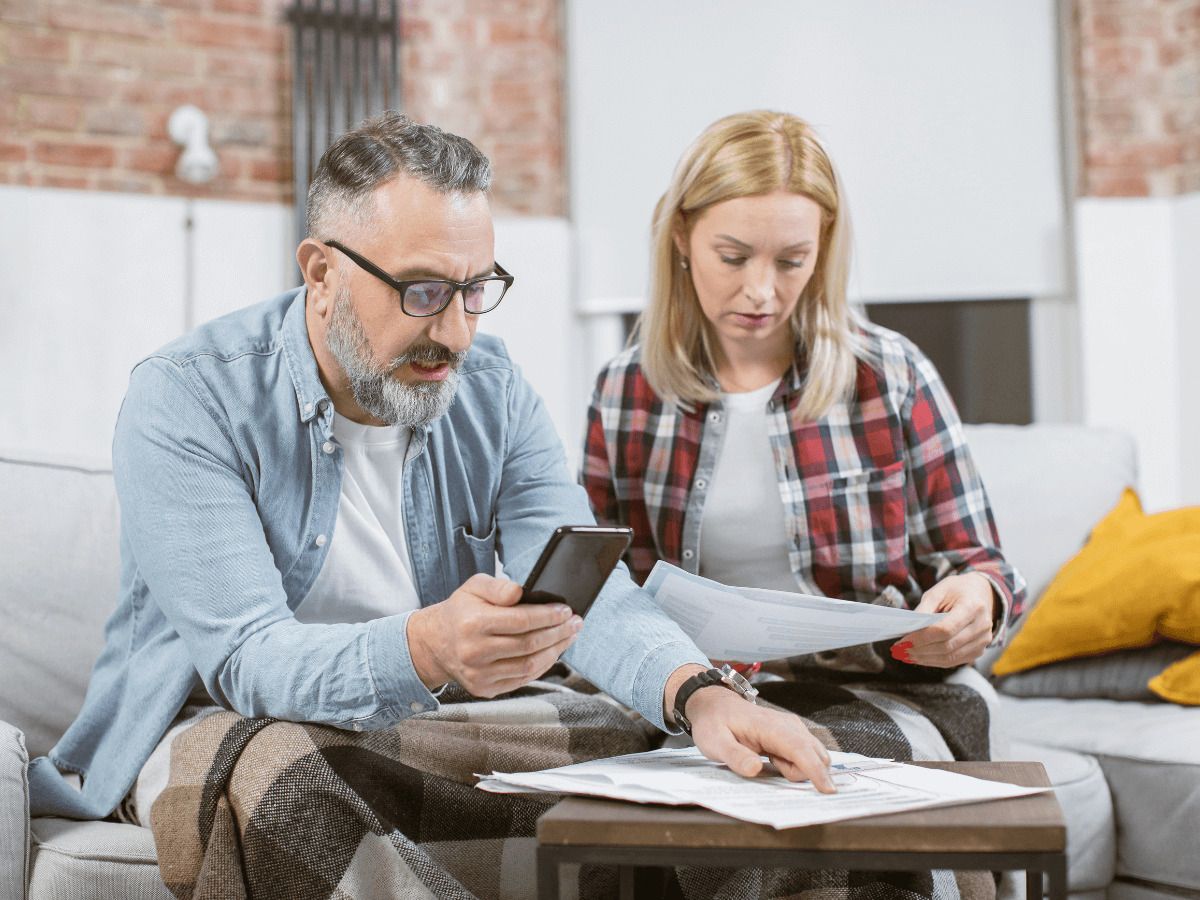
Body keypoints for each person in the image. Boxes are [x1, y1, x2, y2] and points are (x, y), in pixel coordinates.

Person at [27, 113, 836, 898]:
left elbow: (589, 597)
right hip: (225, 721)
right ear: (321, 273)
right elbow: (249, 661)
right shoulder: (189, 398)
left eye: (475, 290)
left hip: (426, 723)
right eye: (421, 291)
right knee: (286, 778)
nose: (454, 333)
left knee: (675, 752)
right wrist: (426, 649)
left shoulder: (492, 389)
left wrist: (699, 694)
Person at [582, 110, 1027, 899]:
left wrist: (978, 600)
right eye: (732, 257)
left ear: (823, 252)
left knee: (796, 781)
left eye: (792, 261)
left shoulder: (890, 375)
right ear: (681, 237)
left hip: (878, 687)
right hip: (690, 691)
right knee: (607, 789)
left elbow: (979, 561)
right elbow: (595, 586)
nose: (762, 290)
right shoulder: (626, 391)